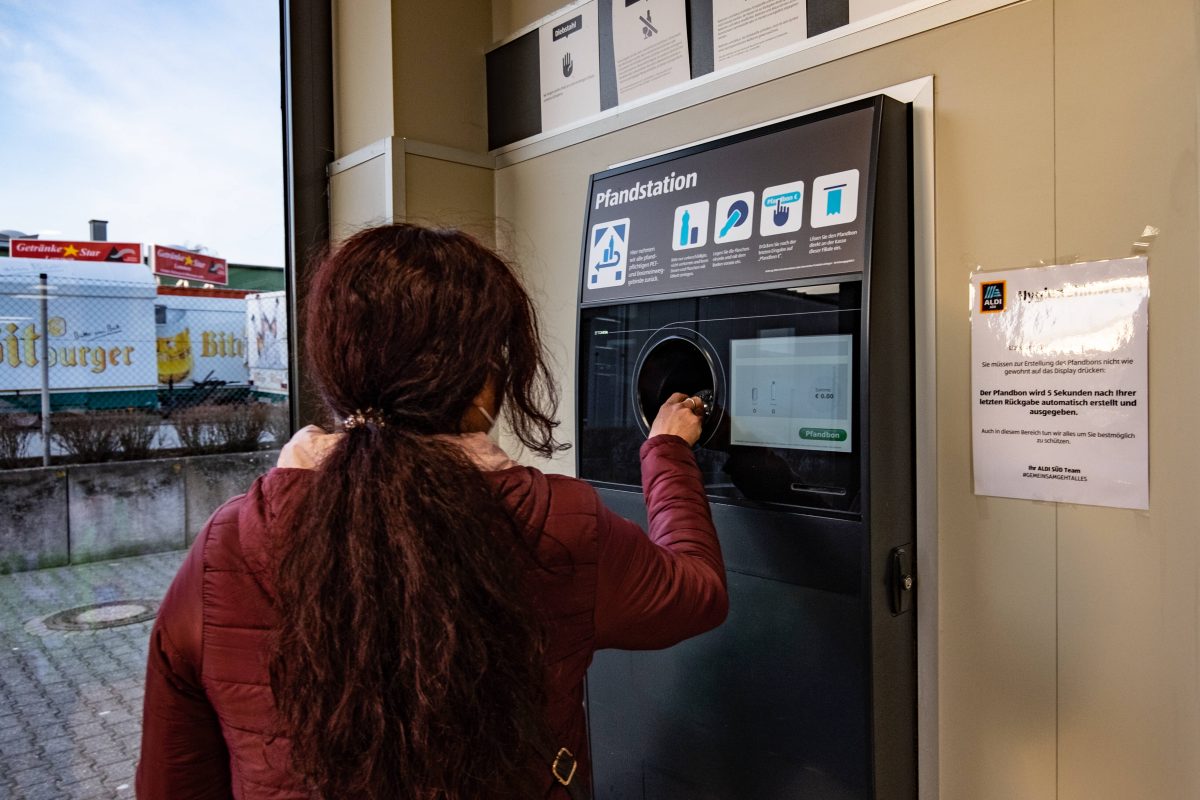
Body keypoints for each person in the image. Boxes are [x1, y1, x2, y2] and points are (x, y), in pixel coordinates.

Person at [136, 223, 728, 799]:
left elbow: (176, 776)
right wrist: (668, 449)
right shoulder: (556, 525)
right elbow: (697, 591)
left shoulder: (228, 546)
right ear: (481, 381)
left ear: (337, 366)